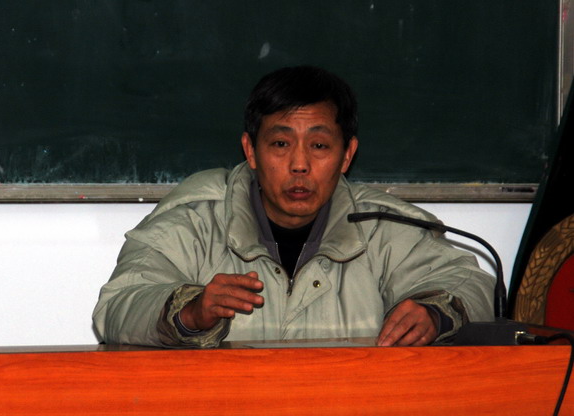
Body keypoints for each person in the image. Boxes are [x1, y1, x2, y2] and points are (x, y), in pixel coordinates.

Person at [92, 66, 495, 348]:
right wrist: (189, 313)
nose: (299, 164)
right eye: (281, 143)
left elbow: (470, 284)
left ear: (347, 154)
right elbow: (116, 307)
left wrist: (435, 313)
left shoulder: (383, 226)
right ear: (251, 150)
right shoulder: (196, 219)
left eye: (319, 145)